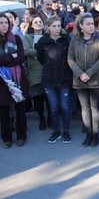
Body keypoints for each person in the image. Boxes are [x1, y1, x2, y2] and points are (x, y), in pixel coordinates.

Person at [67, 13, 99, 147]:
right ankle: (88, 133)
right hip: (80, 80)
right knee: (85, 109)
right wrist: (80, 74)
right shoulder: (74, 39)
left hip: (95, 79)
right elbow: (70, 58)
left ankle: (95, 135)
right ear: (81, 26)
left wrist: (88, 73)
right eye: (88, 24)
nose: (91, 26)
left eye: (92, 24)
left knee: (95, 108)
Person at [36, 16, 72, 144]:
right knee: (54, 107)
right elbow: (40, 58)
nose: (57, 29)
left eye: (58, 25)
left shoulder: (66, 39)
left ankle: (66, 131)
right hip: (49, 80)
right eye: (54, 26)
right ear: (48, 27)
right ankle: (56, 131)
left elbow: (71, 57)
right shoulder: (43, 41)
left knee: (65, 106)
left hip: (64, 79)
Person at [0, 13, 29, 148]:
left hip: (17, 79)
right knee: (3, 110)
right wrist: (11, 56)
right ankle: (6, 138)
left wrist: (6, 59)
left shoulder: (16, 38)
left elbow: (21, 57)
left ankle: (21, 136)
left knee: (20, 108)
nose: (4, 25)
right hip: (1, 81)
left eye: (6, 22)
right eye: (1, 23)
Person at [22, 14, 51, 131]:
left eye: (40, 22)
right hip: (34, 70)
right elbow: (26, 51)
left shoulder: (47, 36)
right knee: (37, 96)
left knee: (49, 96)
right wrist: (40, 51)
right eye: (36, 22)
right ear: (31, 25)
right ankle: (41, 119)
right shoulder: (27, 37)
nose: (38, 24)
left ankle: (50, 118)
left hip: (48, 68)